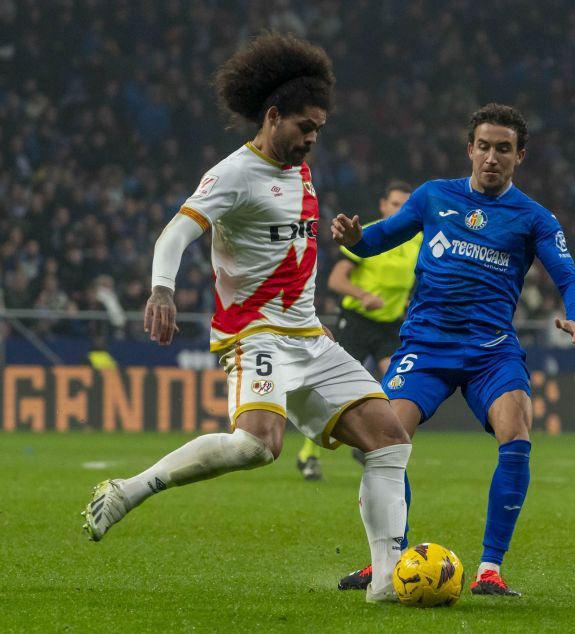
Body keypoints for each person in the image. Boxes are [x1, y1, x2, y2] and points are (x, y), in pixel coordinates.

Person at [81, 34, 411, 603]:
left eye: (319, 131)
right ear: (273, 116)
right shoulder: (233, 173)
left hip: (307, 334)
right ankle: (130, 490)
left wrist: (310, 317)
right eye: (305, 127)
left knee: (389, 440)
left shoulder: (300, 172)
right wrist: (162, 290)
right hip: (253, 332)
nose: (312, 140)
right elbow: (176, 233)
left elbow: (292, 255)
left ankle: (386, 583)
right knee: (259, 447)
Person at [332, 103, 575, 597]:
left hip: (491, 352)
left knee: (516, 431)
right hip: (425, 346)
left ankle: (490, 569)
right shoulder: (433, 197)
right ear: (470, 149)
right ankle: (386, 559)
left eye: (504, 149)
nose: (492, 157)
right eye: (485, 147)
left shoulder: (534, 217)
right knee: (382, 442)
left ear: (520, 156)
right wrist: (354, 238)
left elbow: (569, 277)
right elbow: (374, 242)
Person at [294, 181, 420, 479]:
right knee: (332, 391)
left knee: (399, 383)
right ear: (382, 205)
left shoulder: (417, 240)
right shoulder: (370, 234)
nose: (400, 210)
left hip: (390, 326)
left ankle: (367, 446)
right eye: (394, 204)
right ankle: (307, 455)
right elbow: (336, 280)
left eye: (406, 205)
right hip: (356, 322)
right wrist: (363, 296)